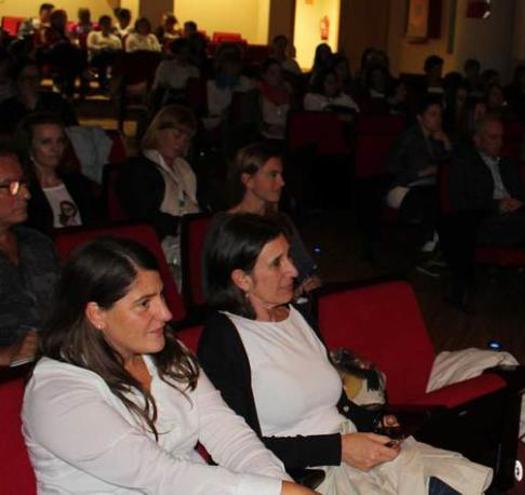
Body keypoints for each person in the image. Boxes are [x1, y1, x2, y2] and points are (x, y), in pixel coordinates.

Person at [198, 214, 493, 494]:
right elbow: (242, 448)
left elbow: (335, 405)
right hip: (311, 475)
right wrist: (339, 449)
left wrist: (374, 420)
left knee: (460, 478)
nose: (294, 270)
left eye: (289, 256)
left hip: (354, 450)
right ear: (242, 279)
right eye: (277, 263)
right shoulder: (224, 338)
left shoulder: (296, 315)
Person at [22, 237, 314, 494]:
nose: (166, 313)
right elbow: (161, 475)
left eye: (161, 295)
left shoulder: (166, 352)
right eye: (144, 303)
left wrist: (278, 482)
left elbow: (229, 435)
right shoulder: (57, 393)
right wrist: (276, 493)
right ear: (97, 314)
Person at [449, 113, 525, 335]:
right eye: (492, 138)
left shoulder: (508, 163)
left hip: (515, 221)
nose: (499, 143)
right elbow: (461, 202)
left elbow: (522, 194)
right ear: (477, 140)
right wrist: (497, 205)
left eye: (501, 138)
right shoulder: (465, 163)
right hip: (486, 224)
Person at [117, 105, 205, 283]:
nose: (182, 142)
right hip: (160, 242)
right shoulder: (138, 169)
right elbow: (143, 217)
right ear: (158, 132)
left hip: (190, 234)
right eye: (177, 135)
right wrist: (183, 225)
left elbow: (204, 205)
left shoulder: (187, 169)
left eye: (187, 138)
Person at [223, 142, 321, 298]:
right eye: (273, 175)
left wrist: (312, 281)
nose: (282, 182)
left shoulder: (281, 220)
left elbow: (306, 266)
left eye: (281, 175)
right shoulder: (226, 227)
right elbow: (227, 290)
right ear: (248, 180)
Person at [0, 147, 53, 367]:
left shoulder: (36, 243)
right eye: (11, 187)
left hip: (58, 360)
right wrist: (7, 355)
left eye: (23, 184)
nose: (26, 194)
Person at [386, 98, 451, 256]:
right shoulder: (408, 137)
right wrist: (423, 172)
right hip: (403, 187)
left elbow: (451, 166)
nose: (438, 119)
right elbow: (392, 168)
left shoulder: (438, 138)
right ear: (420, 117)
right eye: (433, 114)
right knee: (433, 198)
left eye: (440, 115)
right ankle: (428, 243)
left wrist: (447, 143)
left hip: (429, 187)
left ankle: (437, 242)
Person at [15, 112, 96, 232]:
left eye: (60, 141)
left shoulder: (79, 183)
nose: (55, 148)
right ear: (29, 147)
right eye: (46, 142)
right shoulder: (21, 191)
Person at [0, 59, 78, 133]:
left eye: (36, 78)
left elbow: (73, 130)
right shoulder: (7, 108)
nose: (32, 82)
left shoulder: (56, 102)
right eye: (26, 78)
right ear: (16, 82)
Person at [204, 45, 255, 132]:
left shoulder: (245, 81)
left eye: (235, 63)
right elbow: (212, 108)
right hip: (220, 122)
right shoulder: (212, 84)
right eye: (228, 63)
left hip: (241, 123)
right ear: (221, 64)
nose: (232, 67)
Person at [152, 37, 200, 107]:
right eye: (181, 52)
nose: (183, 56)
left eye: (186, 53)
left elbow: (194, 90)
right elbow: (159, 85)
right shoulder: (165, 65)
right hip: (166, 99)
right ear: (175, 52)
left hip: (185, 102)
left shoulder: (194, 70)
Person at [257, 59, 292, 140]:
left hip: (287, 136)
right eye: (272, 73)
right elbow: (255, 122)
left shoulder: (288, 93)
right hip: (265, 138)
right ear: (264, 75)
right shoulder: (258, 94)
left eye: (279, 73)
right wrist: (268, 127)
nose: (277, 76)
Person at [86, 15, 122, 90]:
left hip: (112, 57)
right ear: (100, 24)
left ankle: (114, 85)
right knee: (103, 55)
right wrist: (102, 48)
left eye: (108, 24)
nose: (106, 26)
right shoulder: (94, 34)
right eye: (104, 23)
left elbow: (119, 49)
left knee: (117, 57)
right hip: (96, 57)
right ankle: (103, 84)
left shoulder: (115, 38)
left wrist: (110, 49)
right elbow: (89, 45)